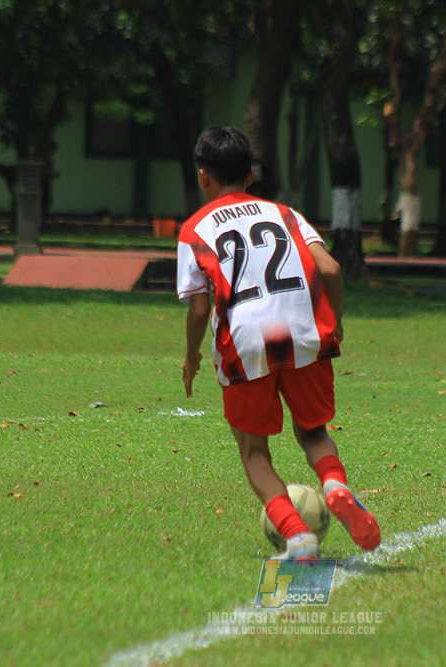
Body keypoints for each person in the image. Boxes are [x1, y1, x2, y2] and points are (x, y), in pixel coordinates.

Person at [176, 126, 381, 560]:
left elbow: (198, 310)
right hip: (303, 332)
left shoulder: (194, 230)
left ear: (202, 177)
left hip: (246, 341)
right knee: (313, 430)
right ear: (250, 175)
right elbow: (329, 269)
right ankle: (334, 482)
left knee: (253, 451)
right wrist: (337, 322)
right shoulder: (285, 214)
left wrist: (192, 356)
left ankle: (298, 537)